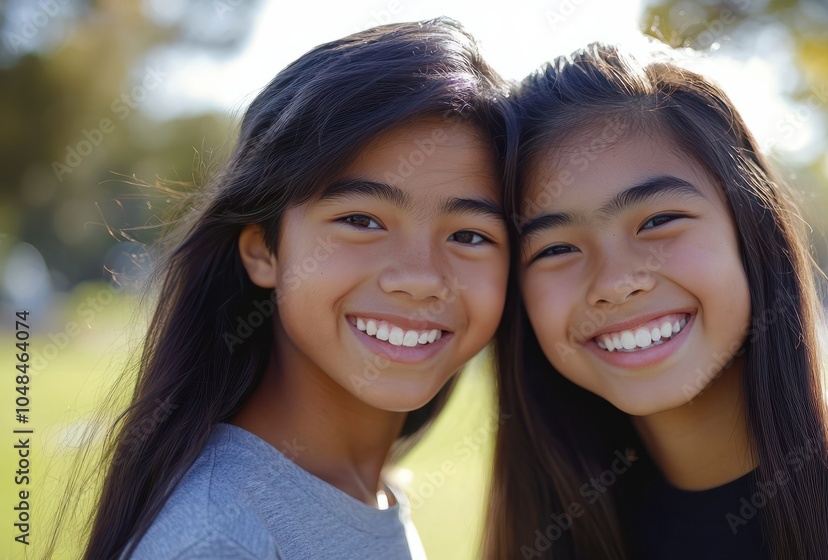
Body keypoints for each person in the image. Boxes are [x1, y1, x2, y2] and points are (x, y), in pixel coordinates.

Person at [484, 42, 828, 560]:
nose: (617, 282)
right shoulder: (552, 530)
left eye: (658, 221)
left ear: (752, 228)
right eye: (555, 248)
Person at [76, 18, 512, 560]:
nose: (420, 277)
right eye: (361, 220)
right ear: (263, 249)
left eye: (469, 235)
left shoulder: (362, 490)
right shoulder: (218, 540)